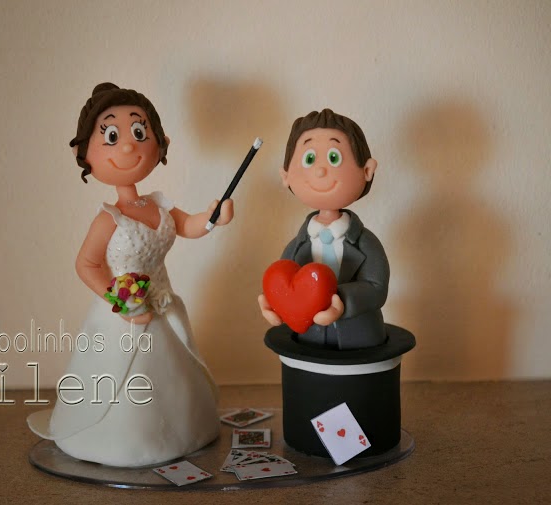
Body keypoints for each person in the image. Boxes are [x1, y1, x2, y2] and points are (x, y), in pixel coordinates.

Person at [27, 83, 233, 467]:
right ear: (84, 153)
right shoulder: (109, 219)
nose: (127, 147)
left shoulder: (159, 205)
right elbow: (86, 265)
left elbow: (188, 225)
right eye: (111, 136)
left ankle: (180, 434)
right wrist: (120, 302)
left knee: (172, 382)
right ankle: (122, 441)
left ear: (161, 143)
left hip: (162, 306)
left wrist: (212, 218)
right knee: (127, 389)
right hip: (125, 316)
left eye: (139, 132)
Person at [259, 109, 389, 349]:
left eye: (333, 157)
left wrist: (339, 302)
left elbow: (377, 287)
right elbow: (284, 283)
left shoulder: (365, 243)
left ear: (367, 170)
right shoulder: (296, 246)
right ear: (285, 176)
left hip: (359, 343)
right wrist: (275, 305)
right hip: (309, 340)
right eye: (309, 159)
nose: (320, 171)